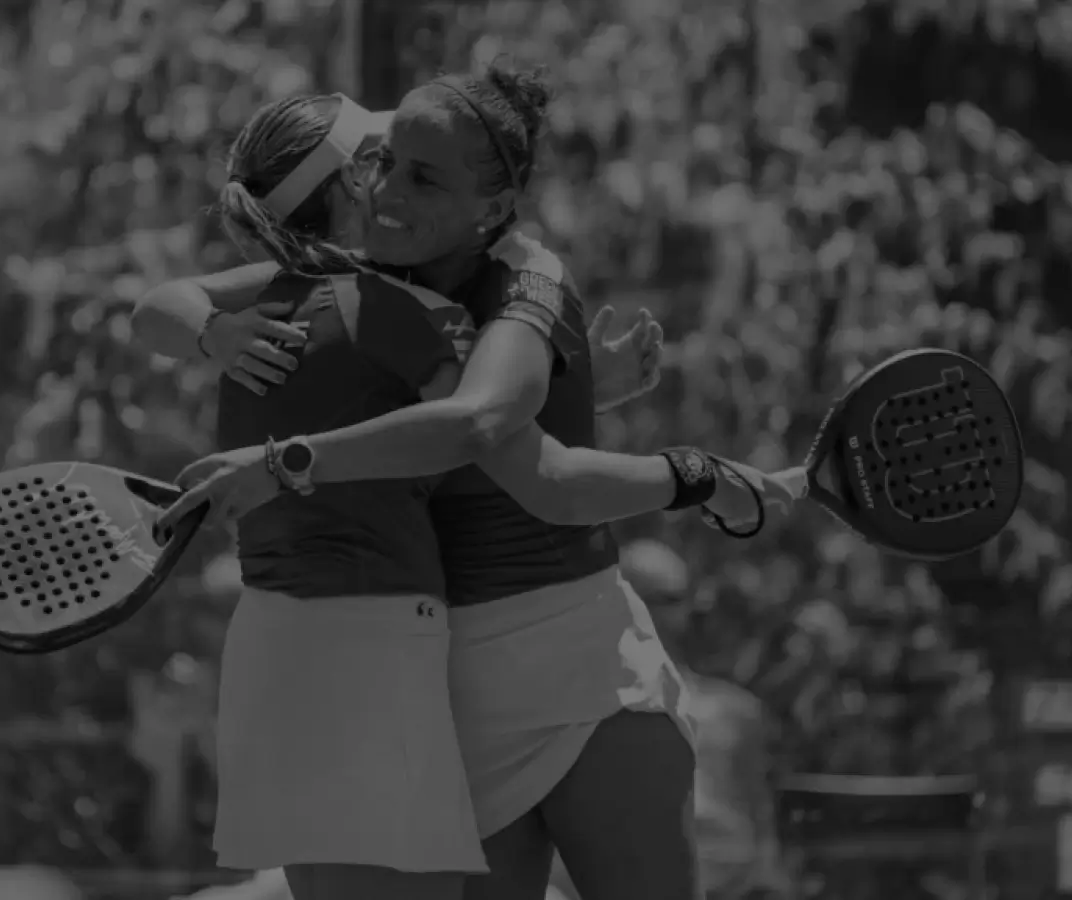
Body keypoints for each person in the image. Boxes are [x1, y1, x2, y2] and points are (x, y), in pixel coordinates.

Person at [140, 67, 801, 900]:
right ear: (347, 188)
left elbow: (488, 429)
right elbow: (473, 431)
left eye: (418, 171)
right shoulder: (343, 304)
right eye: (380, 165)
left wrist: (594, 397)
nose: (387, 186)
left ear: (489, 207)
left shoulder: (519, 275)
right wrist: (215, 337)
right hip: (435, 687)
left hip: (574, 668)